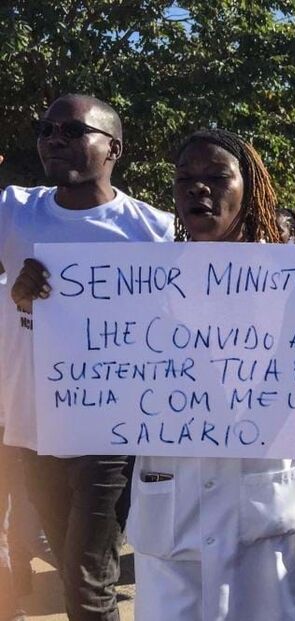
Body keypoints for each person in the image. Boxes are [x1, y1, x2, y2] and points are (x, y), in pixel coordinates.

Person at [92, 128, 295, 621]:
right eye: (185, 178)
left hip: (263, 524)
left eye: (216, 176)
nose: (198, 188)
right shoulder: (137, 282)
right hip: (173, 523)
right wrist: (34, 304)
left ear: (248, 188)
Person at [3, 94, 174, 620]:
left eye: (72, 131)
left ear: (112, 149)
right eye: (46, 128)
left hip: (108, 434)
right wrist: (12, 292)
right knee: (70, 554)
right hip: (31, 430)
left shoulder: (155, 231)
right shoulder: (13, 210)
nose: (54, 138)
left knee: (83, 573)